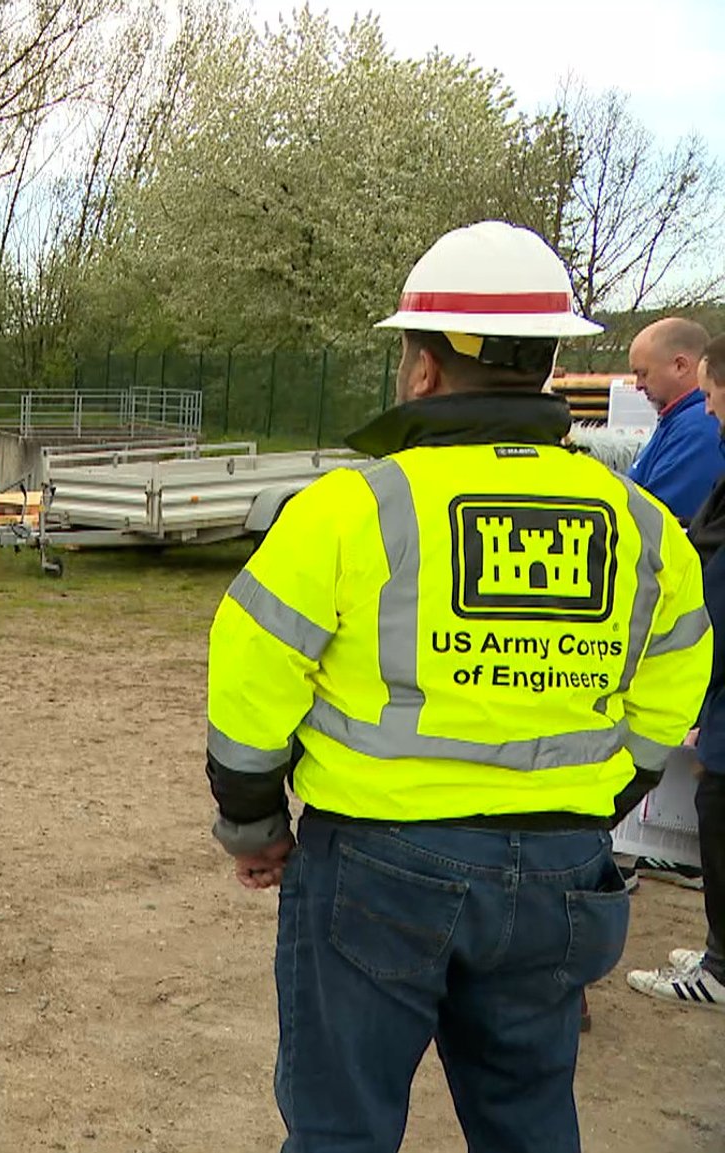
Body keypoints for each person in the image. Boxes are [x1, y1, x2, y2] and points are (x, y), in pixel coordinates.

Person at [204, 220, 709, 1152]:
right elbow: (677, 676)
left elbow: (251, 674)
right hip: (562, 871)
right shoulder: (641, 521)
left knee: (340, 1128)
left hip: (379, 866)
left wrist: (254, 824)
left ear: (425, 370)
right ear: (549, 362)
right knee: (527, 1121)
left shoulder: (352, 507)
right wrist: (602, 796)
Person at [627, 331, 725, 1012]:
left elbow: (655, 517)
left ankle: (718, 966)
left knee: (718, 811)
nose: (714, 412)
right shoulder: (687, 427)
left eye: (719, 397)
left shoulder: (694, 433)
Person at [626, 317, 720, 521]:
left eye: (643, 373)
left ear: (680, 366)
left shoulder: (698, 429)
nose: (638, 385)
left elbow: (651, 519)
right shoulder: (677, 421)